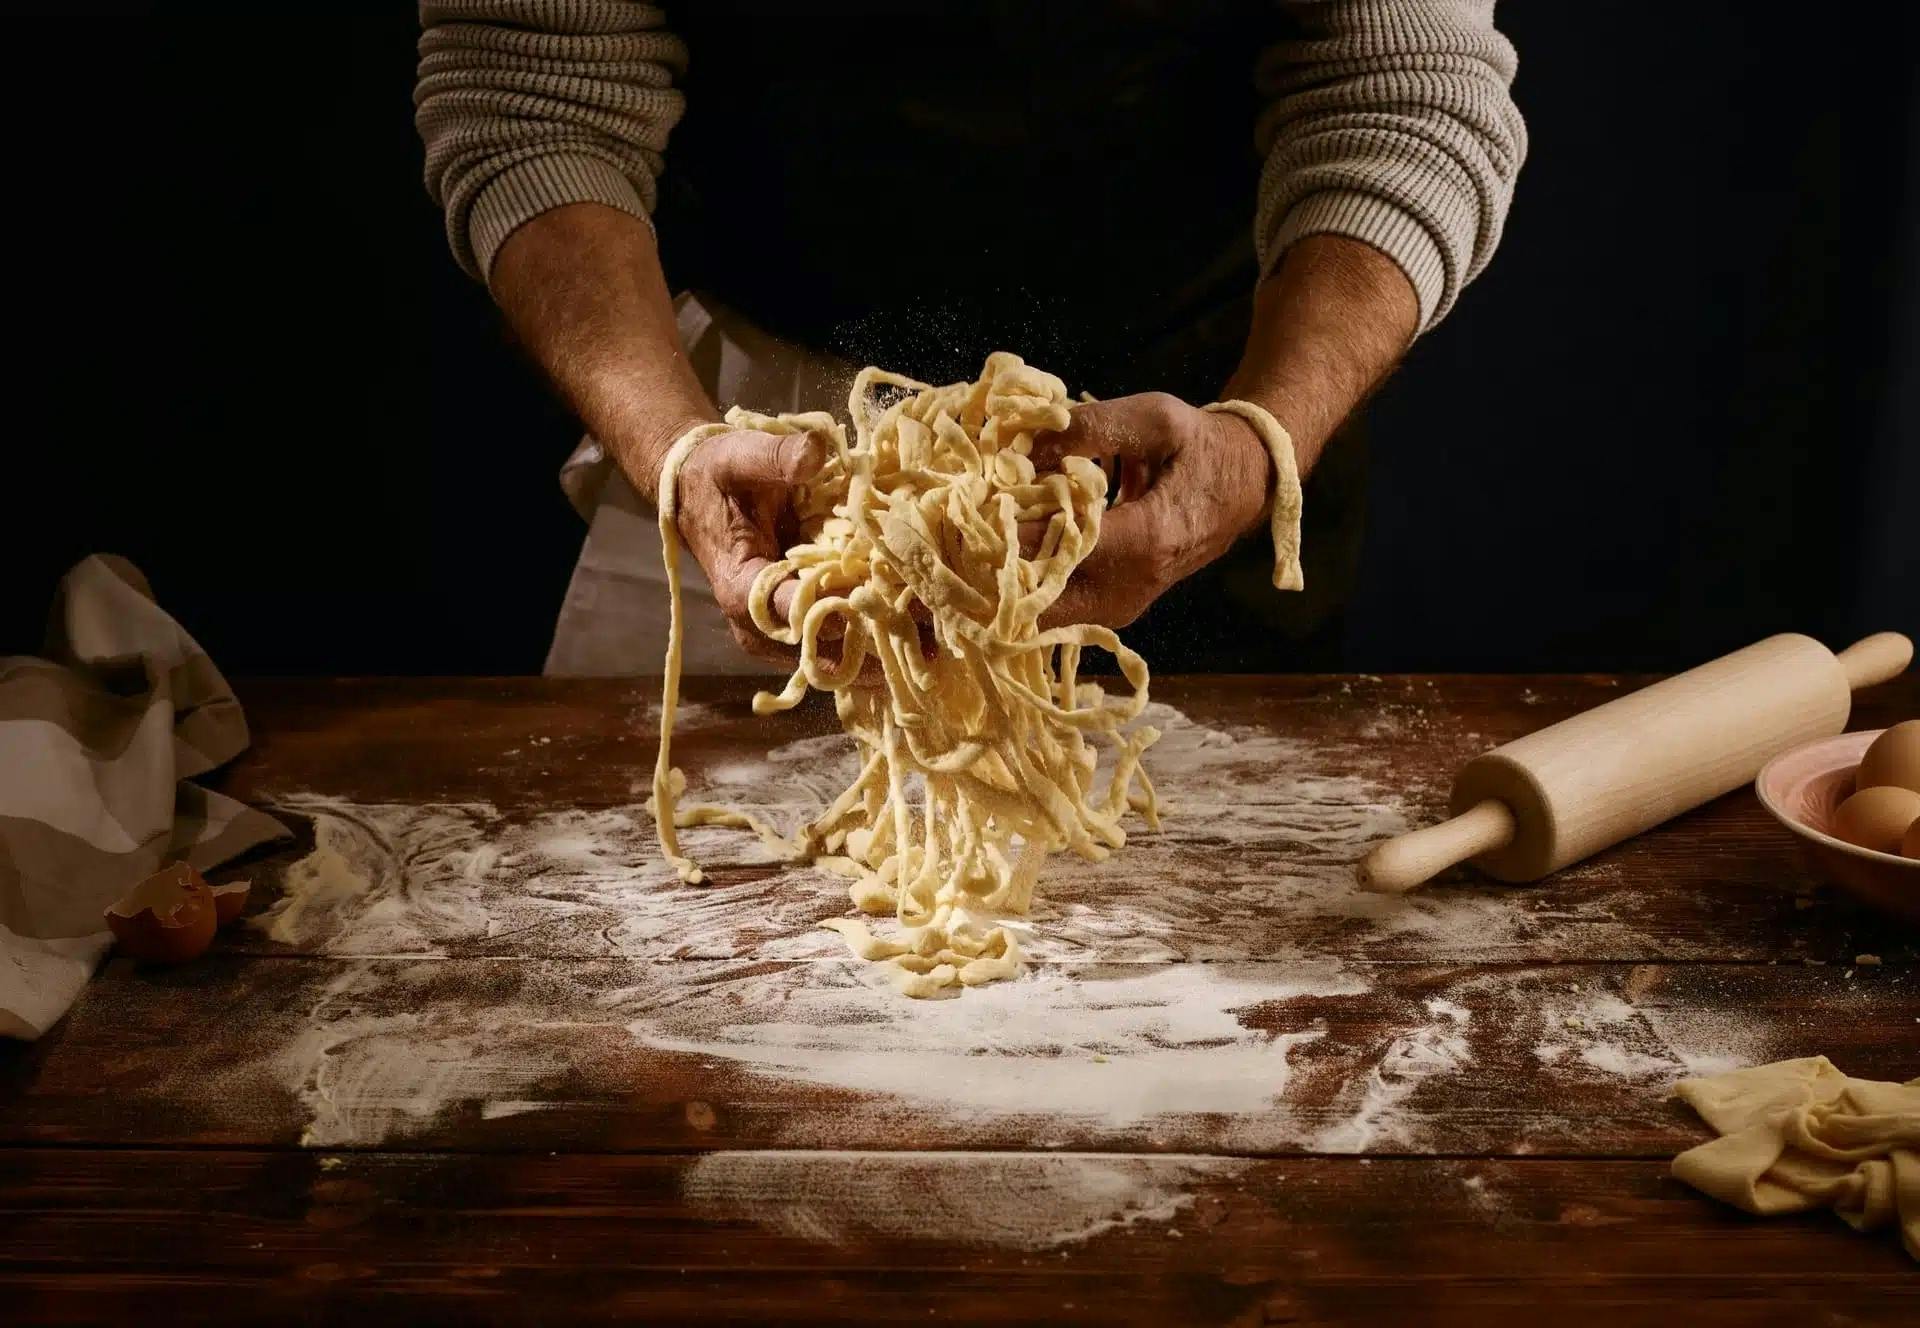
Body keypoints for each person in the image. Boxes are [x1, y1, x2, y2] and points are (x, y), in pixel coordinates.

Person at [416, 1, 1524, 675]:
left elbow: (1399, 90)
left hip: (1193, 444)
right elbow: (536, 95)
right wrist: (676, 449)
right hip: (761, 450)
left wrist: (1259, 434)